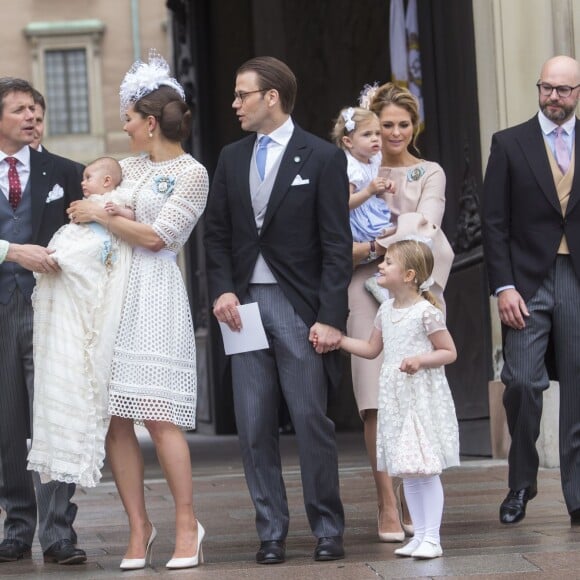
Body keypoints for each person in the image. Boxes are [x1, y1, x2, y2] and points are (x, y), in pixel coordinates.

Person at [204, 56, 351, 564]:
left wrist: (331, 316)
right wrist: (221, 289)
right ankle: (271, 531)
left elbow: (336, 245)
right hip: (241, 307)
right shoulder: (230, 157)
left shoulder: (323, 158)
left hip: (299, 306)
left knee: (311, 417)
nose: (234, 103)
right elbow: (217, 234)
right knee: (253, 421)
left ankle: (327, 527)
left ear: (271, 97)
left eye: (242, 94)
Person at [68, 50, 209, 570]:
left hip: (154, 292)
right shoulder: (123, 167)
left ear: (150, 123)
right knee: (115, 417)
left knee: (159, 414)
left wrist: (101, 216)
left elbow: (157, 237)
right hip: (112, 294)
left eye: (128, 118)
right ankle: (138, 527)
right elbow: (95, 199)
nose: (123, 127)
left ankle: (188, 524)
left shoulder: (192, 174)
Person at [346, 82, 454, 544]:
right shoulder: (352, 169)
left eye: (402, 124)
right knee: (374, 399)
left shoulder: (430, 172)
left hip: (412, 291)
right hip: (362, 288)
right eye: (385, 124)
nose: (393, 133)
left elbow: (424, 229)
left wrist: (373, 245)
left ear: (415, 126)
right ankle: (387, 503)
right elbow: (332, 231)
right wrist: (361, 248)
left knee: (414, 393)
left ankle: (416, 498)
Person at [482, 55, 580, 526]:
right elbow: (493, 223)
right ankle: (521, 484)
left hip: (577, 278)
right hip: (525, 282)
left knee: (579, 388)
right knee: (521, 381)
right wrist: (503, 286)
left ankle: (578, 496)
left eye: (563, 90)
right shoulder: (509, 143)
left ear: (578, 92)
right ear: (538, 88)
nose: (554, 97)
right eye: (547, 88)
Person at [0, 78, 86, 565]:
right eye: (18, 110)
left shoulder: (68, 173)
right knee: (7, 423)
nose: (31, 116)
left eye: (35, 109)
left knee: (53, 418)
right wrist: (11, 251)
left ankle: (58, 533)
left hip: (52, 313)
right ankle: (16, 526)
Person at [337, 239, 459, 559]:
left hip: (419, 399)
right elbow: (371, 350)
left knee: (425, 469)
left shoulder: (426, 313)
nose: (380, 265)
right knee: (408, 470)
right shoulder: (386, 311)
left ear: (408, 275)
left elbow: (449, 352)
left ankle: (432, 536)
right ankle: (419, 535)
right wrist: (341, 340)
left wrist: (420, 359)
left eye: (388, 262)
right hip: (396, 399)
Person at [27, 157, 133, 488]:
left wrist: (104, 214)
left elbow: (128, 220)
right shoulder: (85, 206)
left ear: (107, 183)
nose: (83, 182)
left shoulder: (111, 203)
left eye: (90, 177)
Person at [331, 106, 394, 252]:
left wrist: (386, 184)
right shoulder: (351, 167)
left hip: (371, 209)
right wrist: (369, 191)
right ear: (348, 142)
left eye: (377, 133)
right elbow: (344, 203)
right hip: (356, 218)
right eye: (367, 134)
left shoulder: (374, 157)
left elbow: (374, 180)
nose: (375, 139)